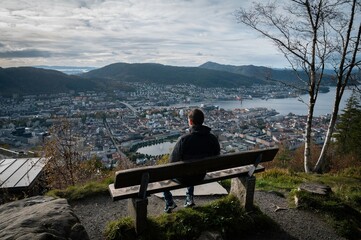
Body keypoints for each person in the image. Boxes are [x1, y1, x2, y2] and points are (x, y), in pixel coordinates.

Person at [163, 108, 220, 213]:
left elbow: (172, 163)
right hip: (201, 174)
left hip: (185, 178)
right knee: (193, 168)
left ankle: (169, 202)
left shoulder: (184, 140)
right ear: (202, 121)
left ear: (190, 122)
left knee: (162, 175)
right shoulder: (212, 138)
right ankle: (189, 198)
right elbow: (217, 156)